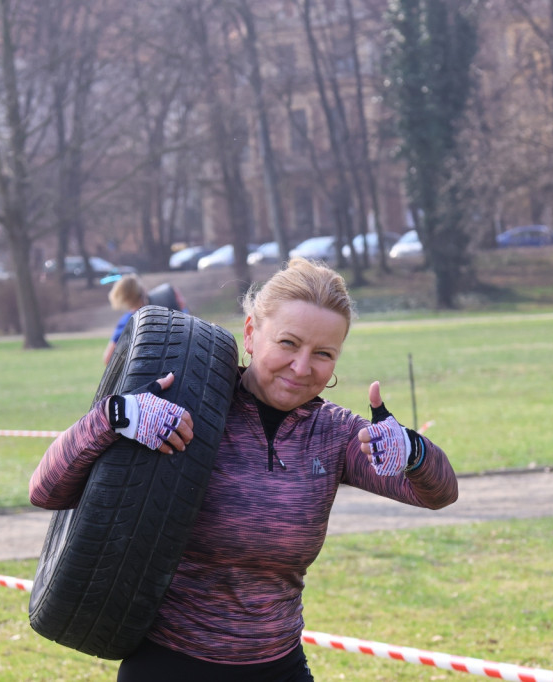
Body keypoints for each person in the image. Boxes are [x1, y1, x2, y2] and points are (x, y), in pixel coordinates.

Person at [30, 257, 458, 681]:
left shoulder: (335, 434)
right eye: (288, 343)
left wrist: (413, 450)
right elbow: (45, 491)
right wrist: (112, 418)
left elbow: (437, 494)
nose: (302, 367)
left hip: (279, 666)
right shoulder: (183, 410)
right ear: (251, 333)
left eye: (323, 354)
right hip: (168, 664)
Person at [103, 273, 188, 364]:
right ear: (143, 290)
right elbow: (186, 317)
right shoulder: (167, 300)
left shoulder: (128, 321)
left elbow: (108, 358)